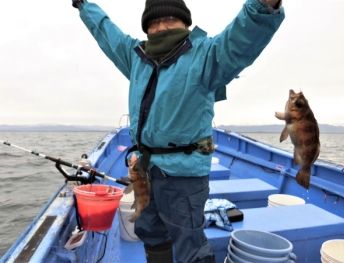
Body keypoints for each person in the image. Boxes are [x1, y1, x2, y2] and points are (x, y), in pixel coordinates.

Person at [72, 0, 284, 262]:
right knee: (149, 230)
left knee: (190, 244)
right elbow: (107, 32)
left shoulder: (205, 56)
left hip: (184, 175)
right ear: (147, 28)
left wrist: (264, 6)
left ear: (186, 23)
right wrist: (83, 5)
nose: (161, 27)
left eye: (170, 19)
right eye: (154, 22)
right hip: (146, 168)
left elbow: (240, 39)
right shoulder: (137, 56)